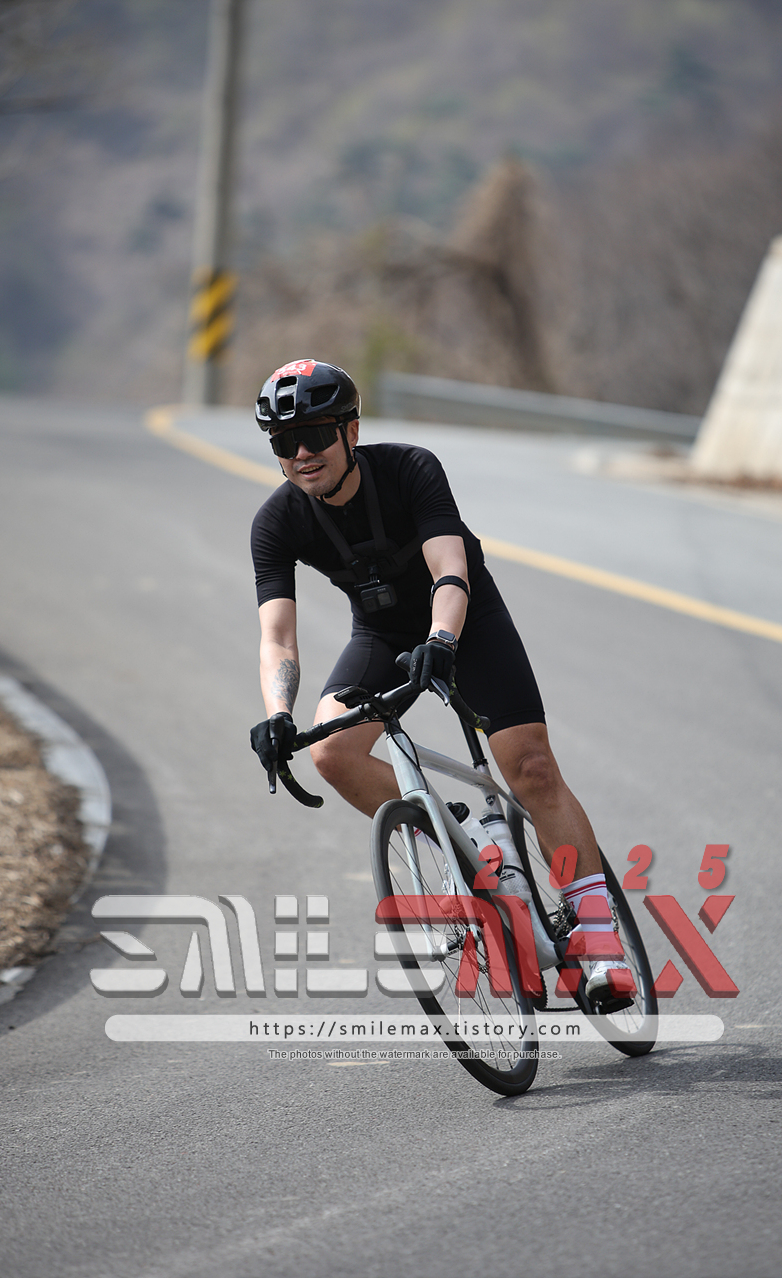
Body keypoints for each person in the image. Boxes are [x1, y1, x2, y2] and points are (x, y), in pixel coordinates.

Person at [248, 358, 628, 1001]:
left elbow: (450, 568)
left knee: (531, 767)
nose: (302, 454)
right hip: (381, 636)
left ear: (351, 431)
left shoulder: (410, 468)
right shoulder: (277, 521)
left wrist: (443, 639)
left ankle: (599, 939)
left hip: (465, 620)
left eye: (314, 435)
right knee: (331, 751)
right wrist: (278, 713)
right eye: (285, 443)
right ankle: (462, 840)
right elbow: (277, 636)